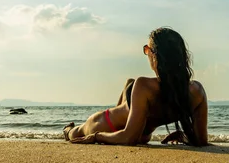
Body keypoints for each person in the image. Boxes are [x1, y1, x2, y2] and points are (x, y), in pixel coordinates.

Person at [63, 27, 209, 146]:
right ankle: (67, 130)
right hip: (140, 135)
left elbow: (128, 138)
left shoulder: (144, 85)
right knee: (130, 83)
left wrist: (96, 137)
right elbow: (201, 140)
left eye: (147, 50)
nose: (146, 54)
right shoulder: (197, 91)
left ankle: (68, 130)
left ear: (154, 55)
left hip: (106, 125)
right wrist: (184, 136)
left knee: (74, 133)